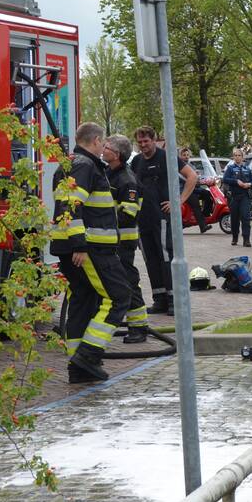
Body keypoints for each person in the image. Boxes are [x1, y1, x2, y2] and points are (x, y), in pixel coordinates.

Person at [50, 122, 130, 383]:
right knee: (118, 298)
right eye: (102, 142)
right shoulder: (85, 165)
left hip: (76, 247)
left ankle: (79, 368)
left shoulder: (72, 164)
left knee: (83, 301)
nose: (103, 146)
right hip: (91, 249)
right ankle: (88, 355)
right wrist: (80, 245)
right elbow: (71, 206)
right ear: (95, 140)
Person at [131, 126, 198, 316]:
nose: (143, 145)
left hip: (161, 218)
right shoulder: (136, 162)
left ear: (154, 140)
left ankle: (173, 300)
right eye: (140, 142)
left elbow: (192, 176)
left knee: (165, 257)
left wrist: (178, 201)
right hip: (142, 218)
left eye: (146, 141)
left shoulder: (165, 157)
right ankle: (159, 299)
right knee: (150, 259)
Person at [103, 134, 150, 344]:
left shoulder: (127, 180)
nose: (103, 149)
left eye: (107, 147)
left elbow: (128, 213)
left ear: (117, 154)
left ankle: (138, 328)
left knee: (128, 282)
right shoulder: (108, 173)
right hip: (111, 240)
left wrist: (99, 217)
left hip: (123, 241)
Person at [222, 147, 252, 246]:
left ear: (242, 157)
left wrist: (249, 184)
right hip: (234, 196)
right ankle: (235, 237)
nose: (237, 157)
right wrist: (236, 182)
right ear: (233, 157)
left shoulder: (247, 168)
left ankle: (246, 239)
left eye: (239, 155)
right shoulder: (231, 168)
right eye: (235, 155)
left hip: (245, 196)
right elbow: (225, 179)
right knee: (234, 218)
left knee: (245, 217)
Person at [178, 146, 211, 234]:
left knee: (207, 194)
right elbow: (185, 178)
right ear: (180, 156)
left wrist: (204, 179)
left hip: (194, 187)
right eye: (184, 155)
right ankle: (202, 226)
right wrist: (194, 179)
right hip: (184, 190)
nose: (186, 157)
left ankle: (205, 214)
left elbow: (196, 176)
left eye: (188, 155)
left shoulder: (191, 165)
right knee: (195, 203)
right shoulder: (179, 166)